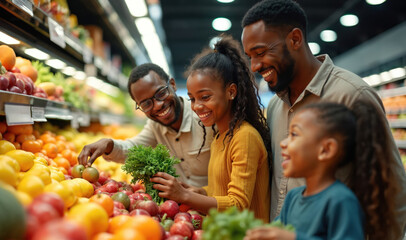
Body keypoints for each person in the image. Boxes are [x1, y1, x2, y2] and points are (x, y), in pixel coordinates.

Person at [241, 0, 406, 237]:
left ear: (295, 39)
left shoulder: (351, 95)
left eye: (260, 53)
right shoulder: (276, 106)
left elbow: (392, 194)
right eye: (250, 57)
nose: (255, 66)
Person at [151, 35, 271, 222]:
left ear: (231, 92)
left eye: (205, 97)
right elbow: (220, 191)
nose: (196, 106)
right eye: (192, 99)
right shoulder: (219, 137)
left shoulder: (245, 137)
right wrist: (197, 191)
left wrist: (185, 196)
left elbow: (237, 205)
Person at [244, 101, 399, 240]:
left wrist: (292, 238)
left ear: (326, 149)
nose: (283, 143)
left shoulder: (340, 200)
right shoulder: (293, 197)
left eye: (294, 134)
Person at [78, 63, 214, 187]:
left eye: (161, 93)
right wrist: (108, 144)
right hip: (182, 210)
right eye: (146, 104)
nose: (158, 105)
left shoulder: (207, 118)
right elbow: (133, 150)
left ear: (172, 85)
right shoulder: (155, 126)